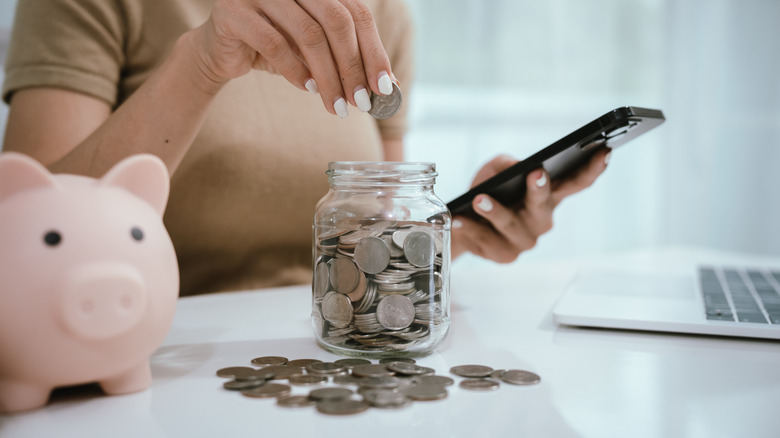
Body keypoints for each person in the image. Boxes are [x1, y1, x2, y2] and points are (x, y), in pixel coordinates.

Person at [2, 0, 609, 296]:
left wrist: (455, 230)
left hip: (333, 348)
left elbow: (376, 236)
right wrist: (203, 62)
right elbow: (23, 234)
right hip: (149, 354)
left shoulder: (380, 16)